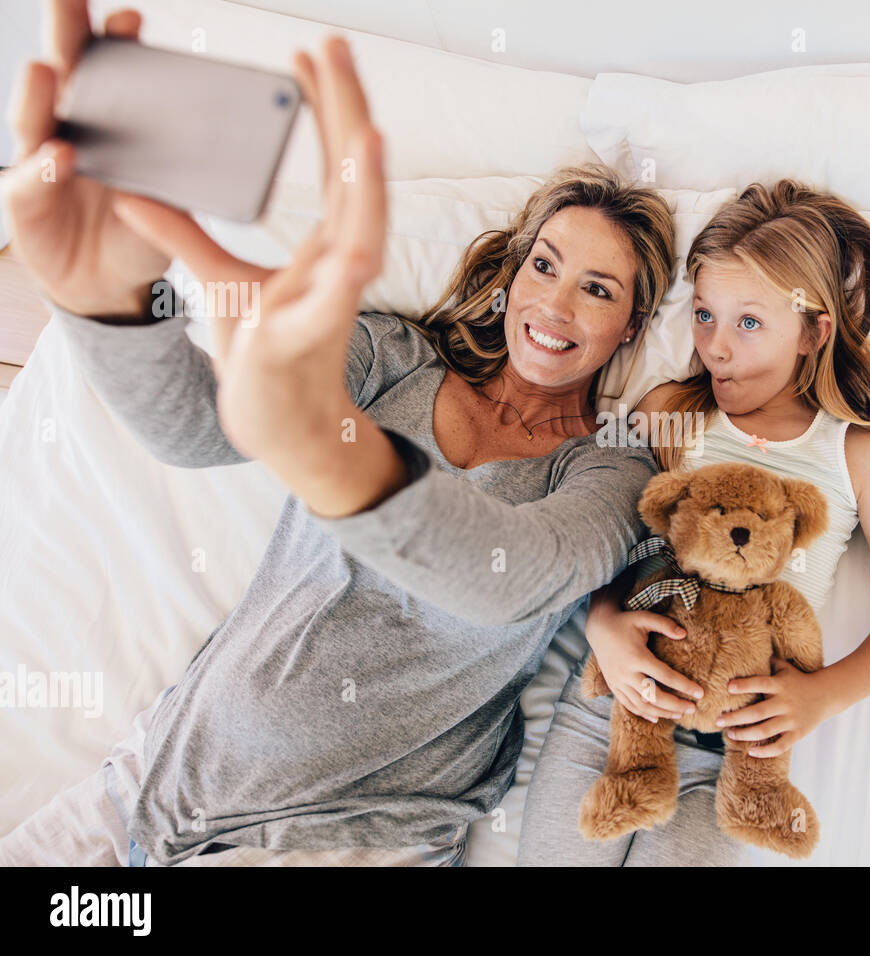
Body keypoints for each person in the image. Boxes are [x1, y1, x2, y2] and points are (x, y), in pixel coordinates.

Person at [0, 1, 675, 866]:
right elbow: (202, 428)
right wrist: (111, 309)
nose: (554, 303)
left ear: (631, 327)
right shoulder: (392, 358)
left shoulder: (611, 472)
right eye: (544, 265)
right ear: (510, 277)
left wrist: (329, 448)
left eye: (599, 288)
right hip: (144, 791)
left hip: (345, 843)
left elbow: (515, 575)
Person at [518, 180, 870, 865]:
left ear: (813, 331)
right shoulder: (668, 414)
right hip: (611, 715)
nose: (716, 348)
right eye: (705, 315)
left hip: (734, 751)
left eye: (749, 323)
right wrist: (604, 627)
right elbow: (607, 541)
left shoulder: (859, 453)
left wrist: (820, 698)